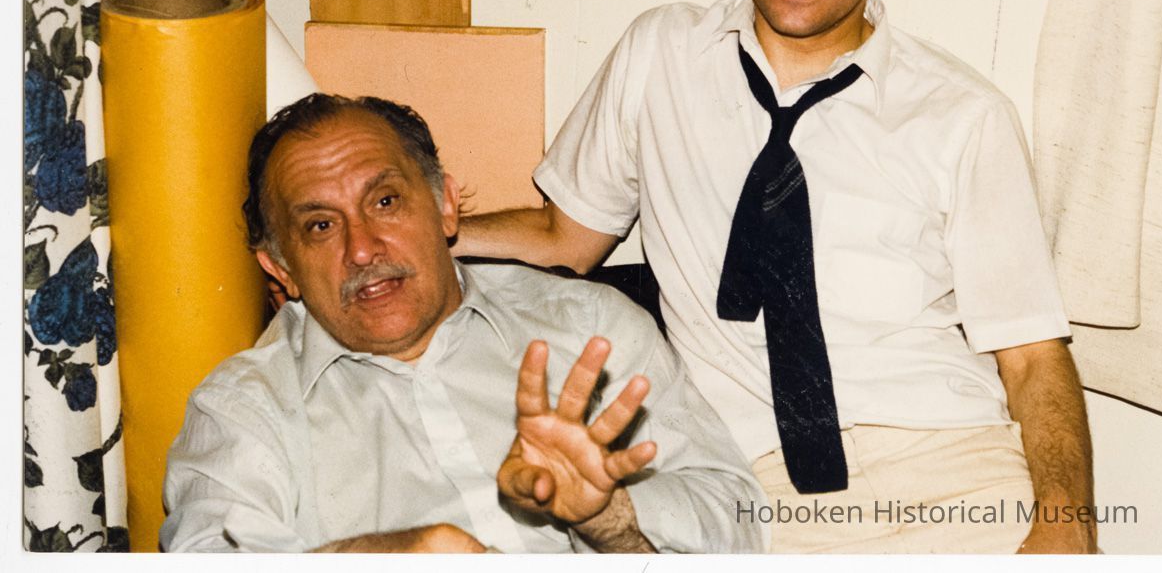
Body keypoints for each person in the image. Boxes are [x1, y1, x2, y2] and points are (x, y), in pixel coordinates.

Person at [454, 0, 1096, 554]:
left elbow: (1031, 354)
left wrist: (1067, 526)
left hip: (952, 470)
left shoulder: (963, 114)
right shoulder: (661, 55)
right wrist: (423, 236)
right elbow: (567, 238)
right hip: (747, 488)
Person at [160, 94, 765, 553]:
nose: (363, 248)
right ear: (280, 267)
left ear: (446, 205)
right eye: (320, 225)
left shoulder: (588, 327)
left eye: (385, 202)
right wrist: (388, 556)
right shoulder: (241, 410)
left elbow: (742, 518)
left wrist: (608, 515)